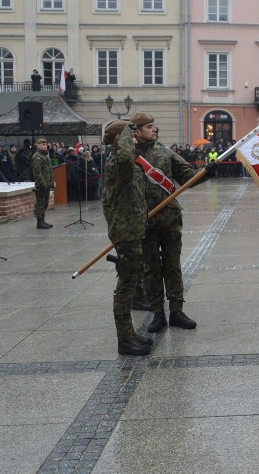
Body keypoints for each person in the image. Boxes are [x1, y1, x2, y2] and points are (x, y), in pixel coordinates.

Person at [133, 112, 217, 334]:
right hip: (144, 222)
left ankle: (177, 311)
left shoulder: (165, 153)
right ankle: (158, 313)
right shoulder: (128, 157)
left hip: (169, 219)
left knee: (172, 267)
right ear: (137, 131)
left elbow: (187, 176)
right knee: (151, 270)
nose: (154, 129)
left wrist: (206, 172)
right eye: (149, 126)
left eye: (154, 125)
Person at [101, 120, 152, 356]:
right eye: (129, 136)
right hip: (125, 232)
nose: (133, 140)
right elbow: (124, 157)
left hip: (132, 230)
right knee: (125, 287)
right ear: (119, 139)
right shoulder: (118, 162)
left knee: (130, 285)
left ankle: (129, 334)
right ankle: (125, 339)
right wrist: (123, 134)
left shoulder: (127, 163)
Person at [31, 138, 54, 229]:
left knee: (45, 203)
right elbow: (37, 172)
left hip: (47, 183)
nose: (45, 146)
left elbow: (49, 170)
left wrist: (51, 182)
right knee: (40, 204)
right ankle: (39, 222)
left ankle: (43, 220)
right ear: (38, 145)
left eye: (46, 144)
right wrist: (43, 183)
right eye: (43, 144)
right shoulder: (37, 156)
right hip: (41, 184)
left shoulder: (46, 156)